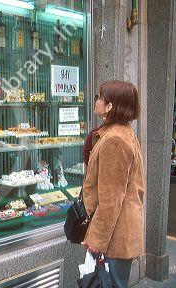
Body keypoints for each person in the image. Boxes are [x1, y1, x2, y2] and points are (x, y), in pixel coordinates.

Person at [81, 80, 145, 288]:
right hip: (119, 234)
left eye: (99, 97)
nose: (96, 101)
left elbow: (110, 201)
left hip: (114, 239)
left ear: (109, 106)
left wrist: (96, 242)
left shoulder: (114, 140)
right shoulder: (122, 131)